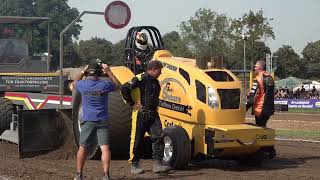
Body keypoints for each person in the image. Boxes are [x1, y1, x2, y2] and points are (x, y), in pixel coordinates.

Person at [72, 59, 121, 180]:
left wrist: (83, 71)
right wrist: (109, 71)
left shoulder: (83, 85)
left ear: (88, 73)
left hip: (88, 120)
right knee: (105, 148)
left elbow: (74, 83)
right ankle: (106, 174)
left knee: (82, 147)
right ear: (99, 73)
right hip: (102, 120)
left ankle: (79, 174)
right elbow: (118, 85)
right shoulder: (105, 85)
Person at [120, 60, 170, 174]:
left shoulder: (156, 82)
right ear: (152, 69)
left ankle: (157, 164)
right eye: (159, 70)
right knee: (137, 140)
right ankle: (134, 165)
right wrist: (132, 103)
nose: (160, 73)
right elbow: (124, 89)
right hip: (140, 114)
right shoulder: (139, 78)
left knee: (158, 137)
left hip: (153, 114)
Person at [246, 60, 275, 127]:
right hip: (269, 108)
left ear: (259, 68)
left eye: (255, 67)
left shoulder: (258, 79)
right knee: (263, 126)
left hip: (260, 108)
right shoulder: (270, 78)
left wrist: (246, 108)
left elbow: (253, 96)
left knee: (259, 128)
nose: (254, 68)